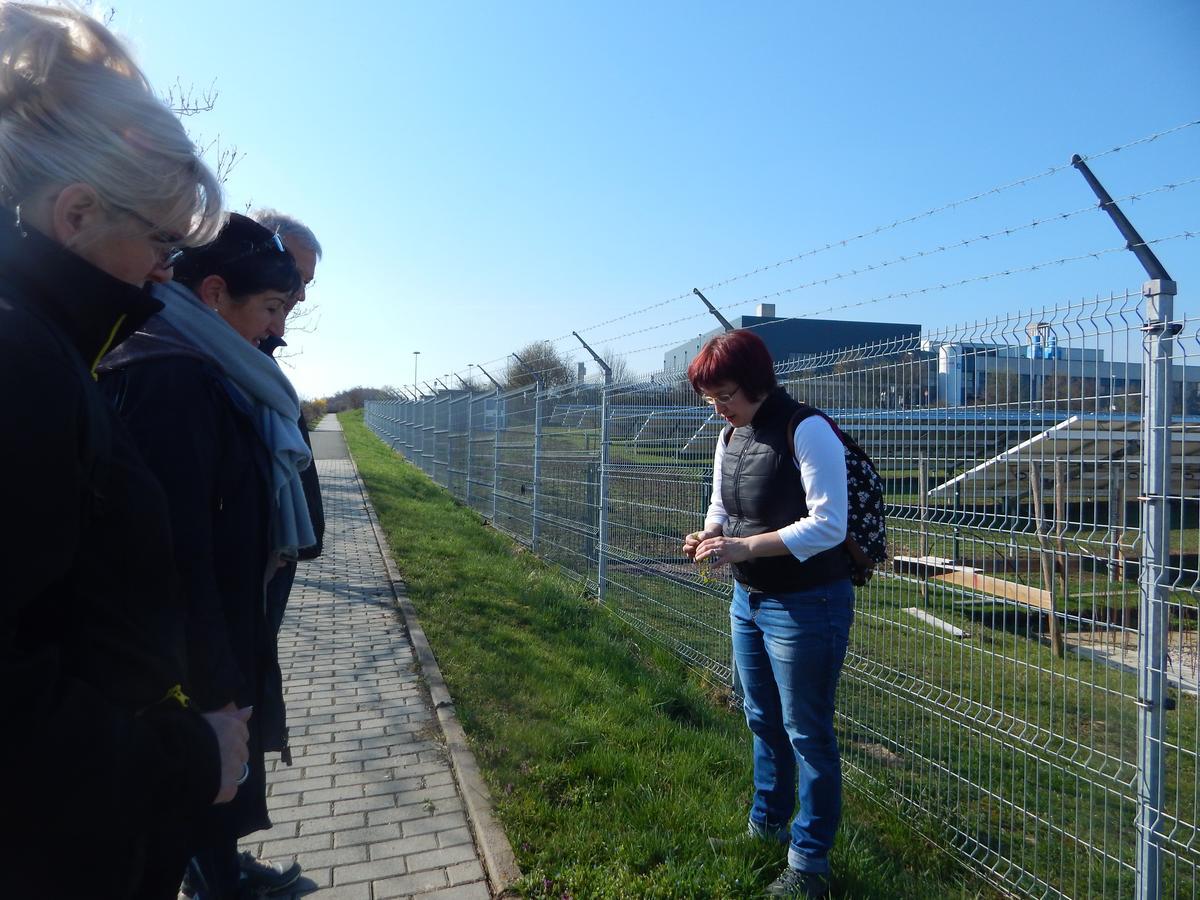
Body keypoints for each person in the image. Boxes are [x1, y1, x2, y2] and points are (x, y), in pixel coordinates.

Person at [0, 5, 251, 897]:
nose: (165, 272)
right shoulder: (22, 362)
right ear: (76, 212)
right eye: (159, 240)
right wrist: (185, 759)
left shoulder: (55, 347)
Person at [98, 213, 315, 899]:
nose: (278, 328)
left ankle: (221, 870)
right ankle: (216, 880)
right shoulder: (171, 378)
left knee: (217, 778)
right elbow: (178, 550)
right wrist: (217, 682)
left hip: (216, 627)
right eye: (275, 307)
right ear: (216, 294)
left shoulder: (203, 366)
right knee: (201, 780)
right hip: (195, 648)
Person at [682, 329, 853, 899]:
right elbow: (721, 504)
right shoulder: (730, 436)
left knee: (807, 731)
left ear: (756, 382)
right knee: (761, 718)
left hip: (807, 602)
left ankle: (809, 864)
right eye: (709, 398)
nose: (717, 408)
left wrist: (742, 549)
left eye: (724, 394)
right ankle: (766, 828)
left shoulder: (807, 429)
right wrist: (709, 534)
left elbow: (830, 525)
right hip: (749, 599)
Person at [237, 208, 326, 893]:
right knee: (231, 702)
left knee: (244, 697)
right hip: (244, 567)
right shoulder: (223, 355)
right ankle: (214, 868)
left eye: (301, 287)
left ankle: (220, 858)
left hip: (269, 563)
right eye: (291, 279)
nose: (297, 298)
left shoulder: (255, 352)